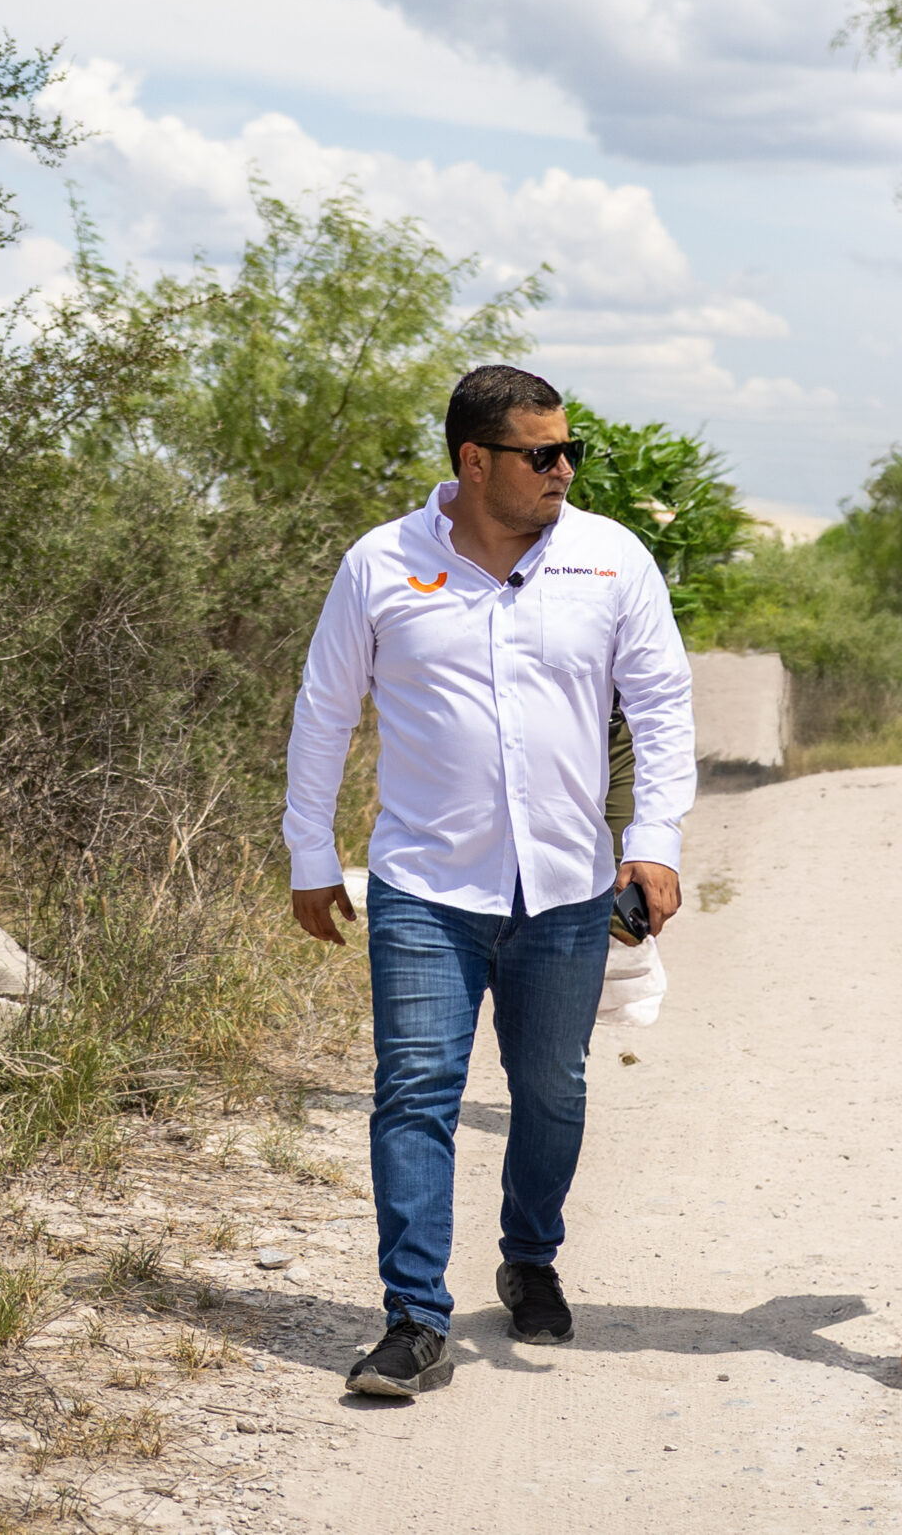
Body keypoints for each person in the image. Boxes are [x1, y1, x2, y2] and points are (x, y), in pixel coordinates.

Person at [283, 364, 696, 1399]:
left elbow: (661, 707)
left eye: (570, 451)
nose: (565, 470)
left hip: (565, 886)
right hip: (426, 883)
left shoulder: (612, 559)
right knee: (415, 1089)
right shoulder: (381, 564)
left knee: (550, 1089)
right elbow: (324, 709)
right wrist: (308, 853)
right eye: (542, 453)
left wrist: (655, 839)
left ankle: (530, 1257)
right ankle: (413, 1319)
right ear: (474, 461)